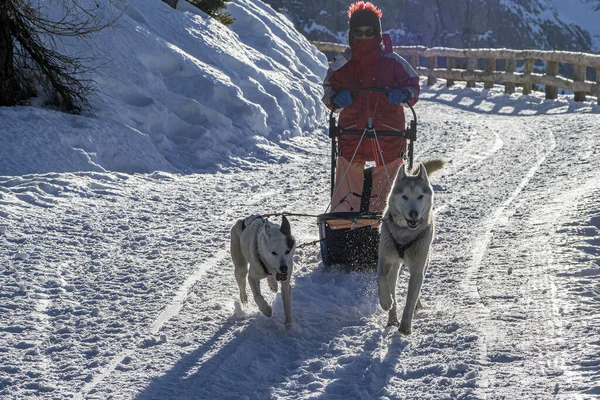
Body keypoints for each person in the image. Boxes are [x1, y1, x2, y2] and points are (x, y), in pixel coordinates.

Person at [322, 1, 420, 167]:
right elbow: (328, 92)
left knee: (389, 187)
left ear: (378, 34)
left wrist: (404, 94)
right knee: (349, 187)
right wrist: (336, 99)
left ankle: (384, 191)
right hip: (352, 133)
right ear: (351, 35)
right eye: (358, 33)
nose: (364, 37)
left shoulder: (393, 62)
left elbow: (414, 87)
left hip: (389, 132)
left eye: (369, 32)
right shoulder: (342, 65)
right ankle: (351, 192)